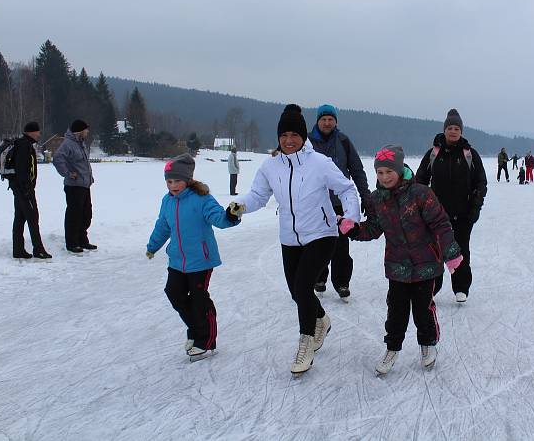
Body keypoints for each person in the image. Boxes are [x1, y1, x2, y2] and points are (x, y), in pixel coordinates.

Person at [230, 104, 360, 375]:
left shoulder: (320, 164)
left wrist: (350, 218)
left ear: (303, 137)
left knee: (303, 289)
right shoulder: (270, 166)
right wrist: (239, 206)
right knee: (296, 293)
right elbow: (257, 197)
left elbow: (347, 189)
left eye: (294, 135)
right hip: (289, 238)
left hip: (322, 234)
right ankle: (321, 319)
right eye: (284, 135)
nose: (289, 140)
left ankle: (306, 342)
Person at [341, 145, 462, 375]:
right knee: (395, 310)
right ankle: (392, 348)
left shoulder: (420, 194)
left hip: (426, 265)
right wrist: (354, 230)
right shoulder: (377, 199)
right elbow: (374, 229)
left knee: (422, 308)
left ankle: (428, 344)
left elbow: (440, 224)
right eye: (380, 172)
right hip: (397, 266)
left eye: (389, 171)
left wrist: (451, 253)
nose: (385, 177)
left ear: (399, 169)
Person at [146, 154, 240, 361]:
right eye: (169, 181)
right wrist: (153, 246)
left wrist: (231, 216)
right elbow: (163, 226)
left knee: (198, 299)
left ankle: (205, 340)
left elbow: (219, 219)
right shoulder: (167, 201)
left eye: (177, 180)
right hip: (177, 259)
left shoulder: (202, 198)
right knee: (174, 293)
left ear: (188, 180)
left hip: (201, 260)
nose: (173, 185)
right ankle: (195, 328)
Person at [416, 109, 487, 303]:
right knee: (435, 252)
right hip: (435, 215)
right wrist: (420, 206)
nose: (453, 131)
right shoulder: (433, 153)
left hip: (463, 214)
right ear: (444, 130)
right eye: (450, 128)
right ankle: (432, 287)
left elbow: (481, 182)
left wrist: (475, 207)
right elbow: (420, 181)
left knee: (461, 250)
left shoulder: (469, 154)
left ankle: (461, 288)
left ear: (461, 131)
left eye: (456, 128)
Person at [308, 104, 370, 301]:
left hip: (338, 203)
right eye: (323, 119)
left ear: (335, 122)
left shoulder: (343, 141)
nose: (327, 122)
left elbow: (357, 170)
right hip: (314, 204)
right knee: (316, 243)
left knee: (340, 245)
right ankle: (319, 277)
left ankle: (342, 282)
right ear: (317, 121)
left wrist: (365, 196)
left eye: (330, 119)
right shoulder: (307, 143)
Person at [9, 121, 51, 259]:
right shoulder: (24, 146)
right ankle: (38, 249)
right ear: (31, 132)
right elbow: (22, 171)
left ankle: (18, 250)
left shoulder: (25, 145)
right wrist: (27, 190)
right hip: (24, 190)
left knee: (20, 218)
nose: (39, 134)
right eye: (37, 132)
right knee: (33, 218)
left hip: (20, 189)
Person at [52, 119, 95, 253]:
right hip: (74, 186)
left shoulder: (81, 144)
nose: (87, 132)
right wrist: (68, 174)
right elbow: (57, 159)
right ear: (79, 131)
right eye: (86, 130)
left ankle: (82, 240)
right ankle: (72, 243)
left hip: (85, 185)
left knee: (86, 214)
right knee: (74, 215)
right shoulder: (68, 144)